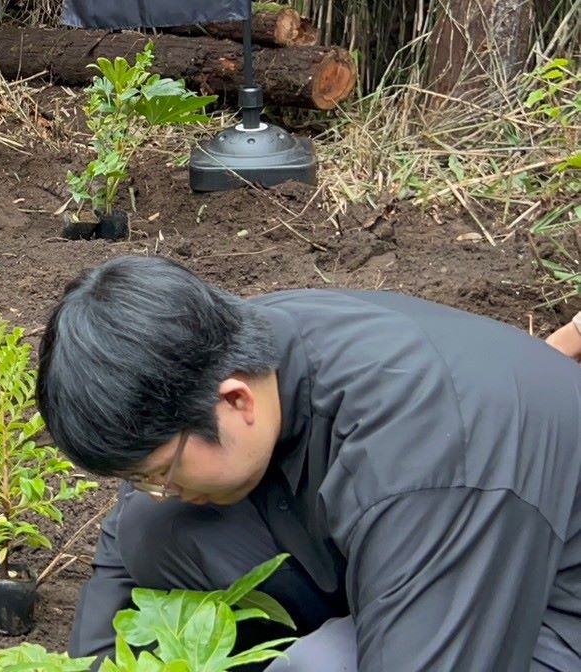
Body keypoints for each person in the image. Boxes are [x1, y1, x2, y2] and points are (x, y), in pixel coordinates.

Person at [37, 255, 581, 671]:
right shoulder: (239, 346)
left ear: (235, 401)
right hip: (416, 537)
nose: (156, 488)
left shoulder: (427, 454)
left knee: (325, 665)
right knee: (156, 529)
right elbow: (121, 564)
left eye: (158, 473)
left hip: (545, 602)